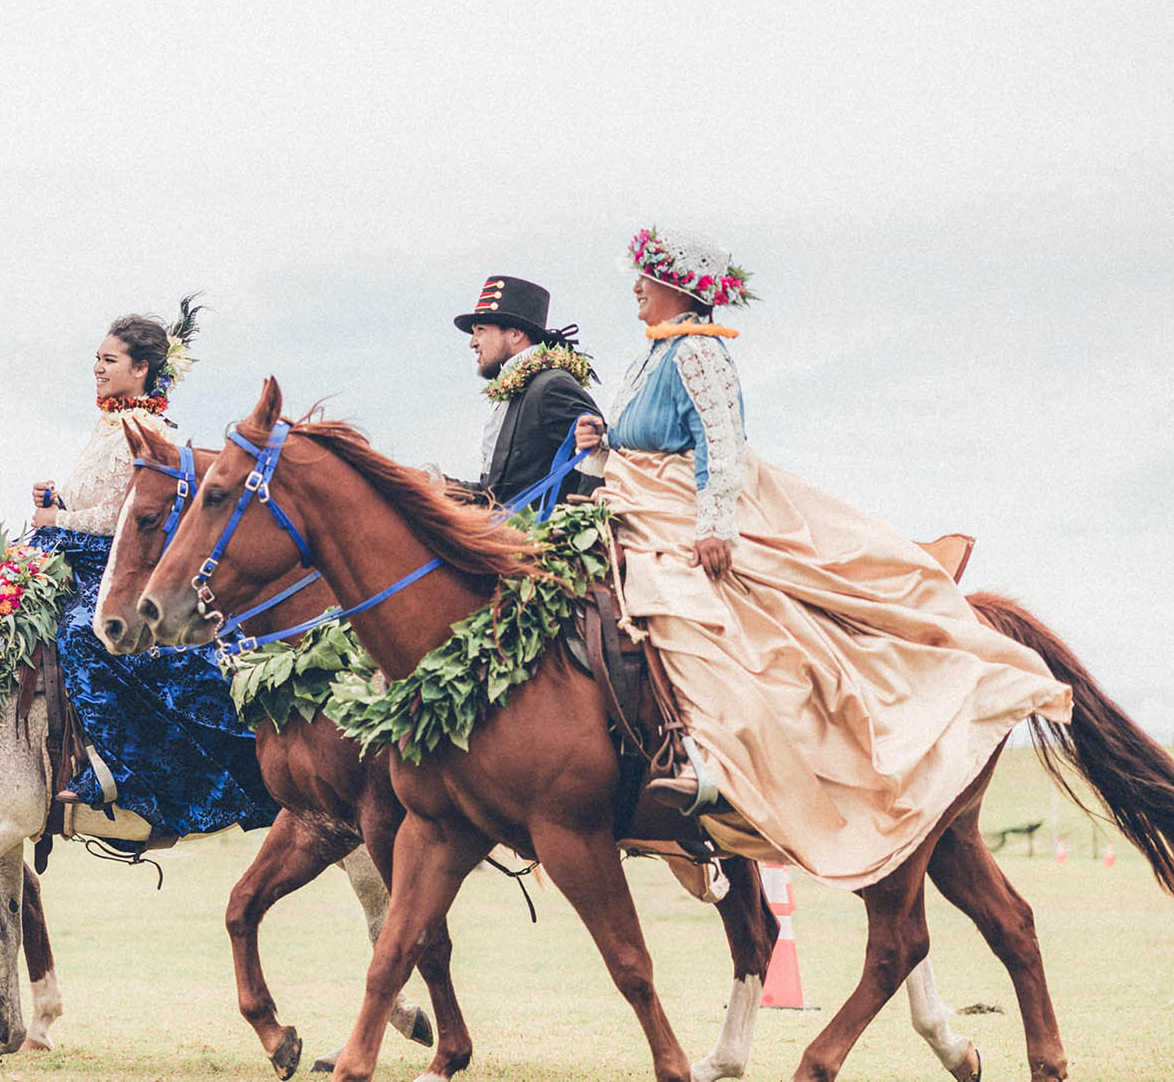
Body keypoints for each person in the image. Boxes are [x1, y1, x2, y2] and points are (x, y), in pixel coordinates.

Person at [575, 227, 1071, 889]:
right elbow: (644, 443)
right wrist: (601, 443)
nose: (634, 285)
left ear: (678, 288)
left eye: (643, 275)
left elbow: (719, 445)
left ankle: (709, 759)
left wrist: (716, 524)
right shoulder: (653, 355)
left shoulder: (698, 354)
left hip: (682, 518)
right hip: (633, 503)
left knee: (684, 616)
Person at [28, 298, 276, 840]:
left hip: (116, 568)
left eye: (109, 360)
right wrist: (56, 501)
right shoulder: (110, 424)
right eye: (96, 357)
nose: (97, 367)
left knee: (79, 635)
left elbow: (126, 519)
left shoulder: (146, 428)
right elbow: (93, 499)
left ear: (141, 370)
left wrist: (56, 519)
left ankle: (122, 771)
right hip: (72, 555)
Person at [448, 274, 602, 509]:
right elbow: (495, 498)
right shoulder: (518, 391)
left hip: (541, 541)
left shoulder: (552, 386)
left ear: (515, 334)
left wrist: (571, 528)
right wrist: (439, 485)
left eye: (480, 330)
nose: (473, 342)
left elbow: (597, 461)